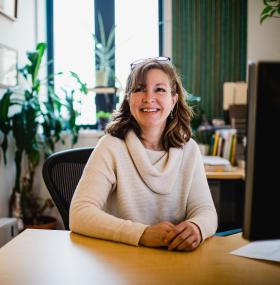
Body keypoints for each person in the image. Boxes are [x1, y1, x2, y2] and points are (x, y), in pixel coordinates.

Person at [69, 57, 217, 251]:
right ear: (129, 99)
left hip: (174, 260)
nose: (149, 97)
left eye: (160, 89)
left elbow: (205, 211)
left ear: (174, 100)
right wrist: (142, 234)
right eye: (139, 89)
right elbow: (80, 213)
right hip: (120, 261)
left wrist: (197, 227)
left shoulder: (189, 150)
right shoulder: (110, 146)